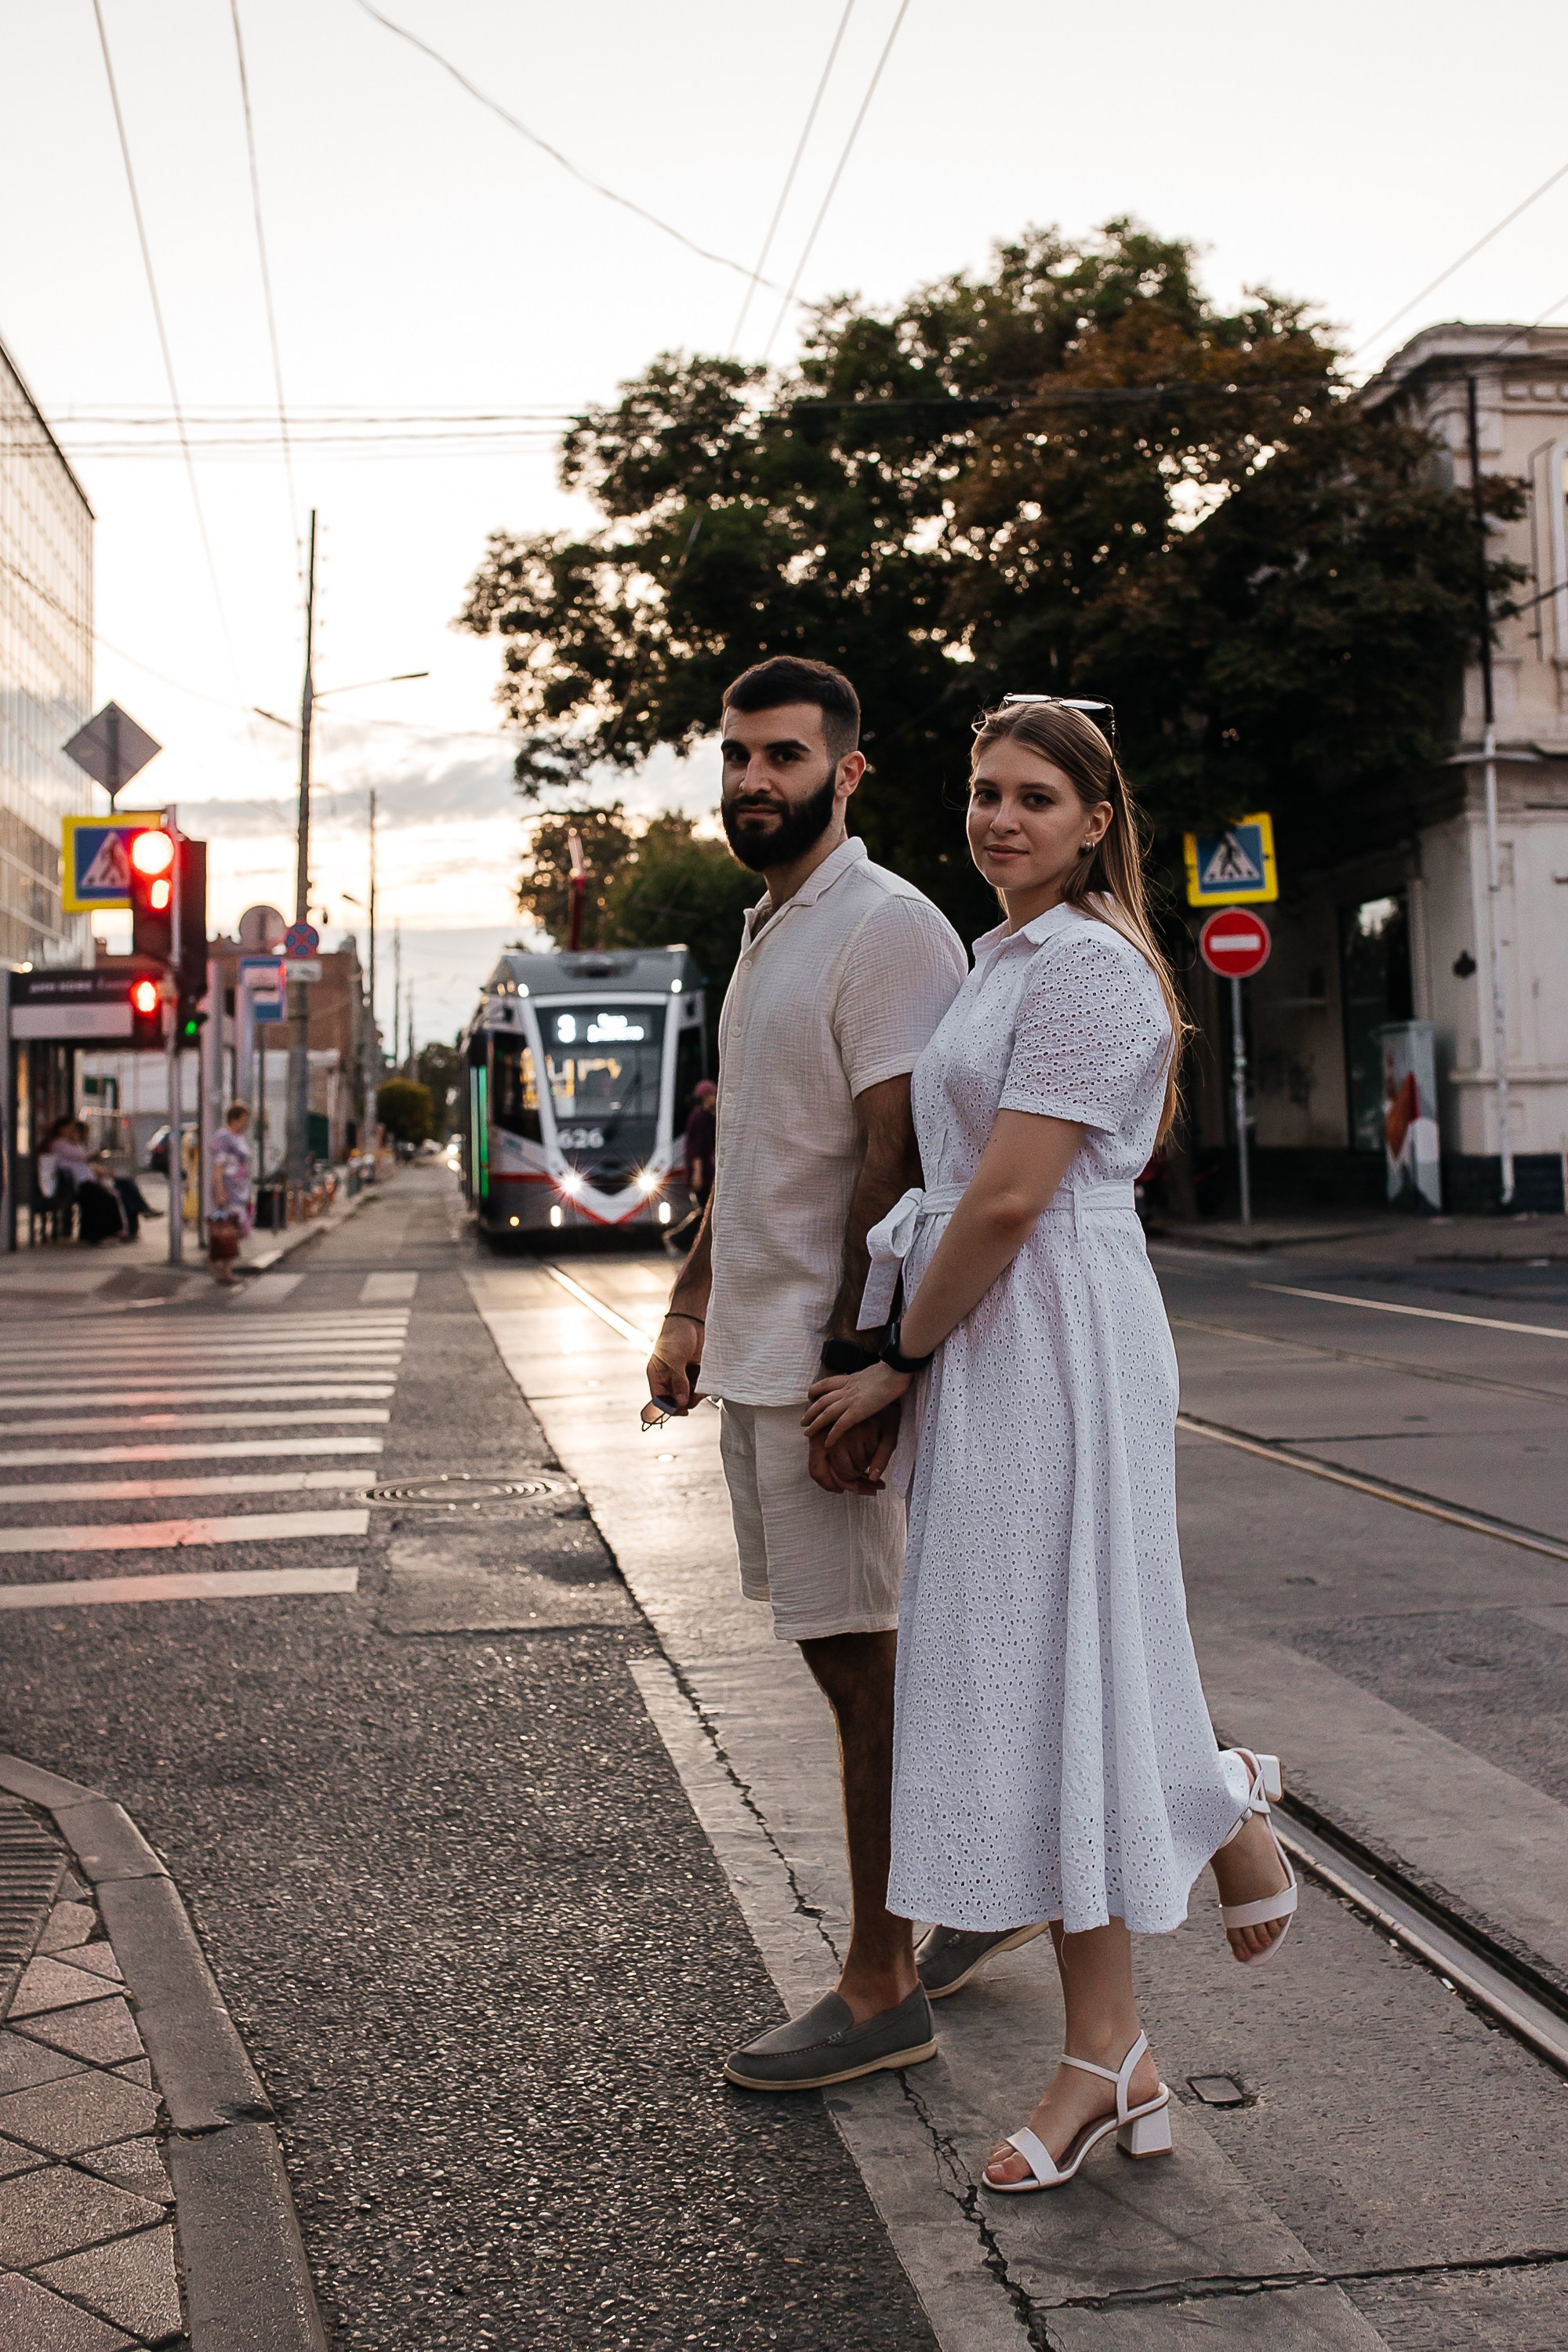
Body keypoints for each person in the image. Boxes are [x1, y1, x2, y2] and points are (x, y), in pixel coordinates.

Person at [804, 697, 1297, 2190]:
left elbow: (1010, 1200)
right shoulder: (999, 958)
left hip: (1054, 1325)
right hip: (999, 1330)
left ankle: (1144, 1972)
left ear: (1096, 822)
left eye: (1033, 797)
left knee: (1061, 1663)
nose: (999, 817)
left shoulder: (1088, 965)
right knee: (1042, 1675)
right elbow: (957, 1189)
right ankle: (1142, 1985)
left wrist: (893, 1364)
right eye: (983, 791)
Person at [647, 655, 1037, 2092]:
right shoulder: (769, 928)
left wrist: (863, 1366)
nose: (756, 781)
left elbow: (904, 1155)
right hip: (761, 1355)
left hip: (825, 1369)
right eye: (739, 757)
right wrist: (692, 1307)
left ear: (847, 771)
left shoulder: (884, 929)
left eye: (785, 759)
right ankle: (983, 1892)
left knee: (864, 1665)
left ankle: (883, 1983)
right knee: (852, 1655)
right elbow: (756, 1150)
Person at [208, 1102, 253, 1287]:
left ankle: (223, 1266)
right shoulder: (224, 1138)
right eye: (244, 1120)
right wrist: (220, 1193)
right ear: (235, 1118)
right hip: (229, 1190)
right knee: (230, 1230)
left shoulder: (238, 1137)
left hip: (240, 1190)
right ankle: (223, 1268)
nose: (246, 1124)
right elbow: (218, 1167)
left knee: (236, 1229)